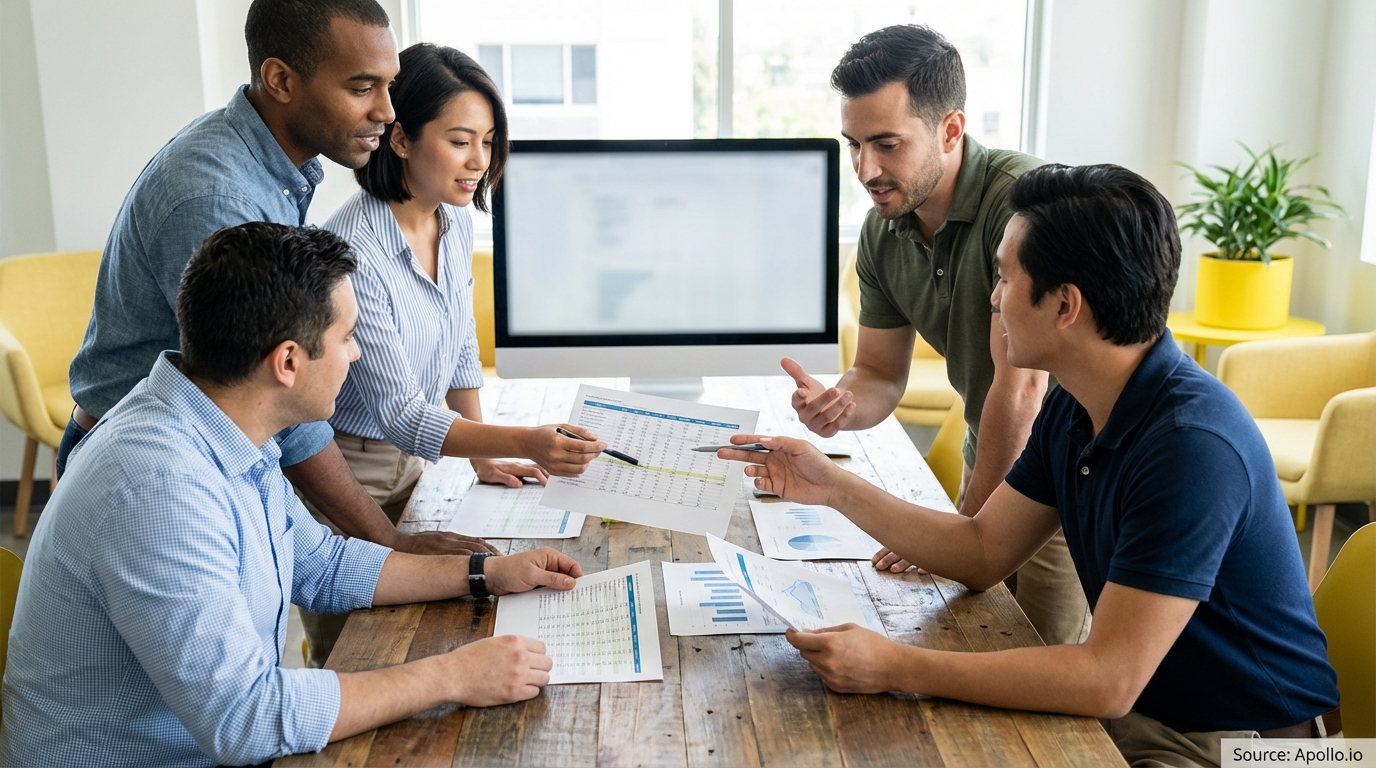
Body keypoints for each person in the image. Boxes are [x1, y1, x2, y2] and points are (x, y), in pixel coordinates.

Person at [722, 164, 1341, 767]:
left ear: (1065, 305)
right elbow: (983, 551)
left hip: (1256, 744)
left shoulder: (1191, 446)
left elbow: (1106, 679)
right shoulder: (1078, 401)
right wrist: (830, 485)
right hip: (1151, 708)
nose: (993, 300)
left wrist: (896, 665)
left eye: (1005, 280)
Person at [1, 223, 581, 767]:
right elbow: (244, 718)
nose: (356, 353)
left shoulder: (225, 429)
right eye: (347, 338)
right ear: (287, 362)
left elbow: (321, 565)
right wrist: (453, 676)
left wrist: (484, 572)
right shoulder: (160, 489)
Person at [59, 0, 497, 560]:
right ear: (281, 79)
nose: (388, 113)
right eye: (363, 87)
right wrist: (385, 540)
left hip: (210, 452)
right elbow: (279, 394)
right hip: (146, 472)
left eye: (389, 86)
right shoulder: (219, 197)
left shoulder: (270, 166)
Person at [778, 25, 1089, 646]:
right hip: (993, 449)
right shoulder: (881, 231)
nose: (866, 170)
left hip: (1068, 471)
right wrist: (841, 405)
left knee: (1045, 678)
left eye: (887, 144)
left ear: (951, 130)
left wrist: (961, 532)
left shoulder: (1023, 206)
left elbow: (1022, 394)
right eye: (854, 145)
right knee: (970, 647)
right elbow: (879, 372)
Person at [308, 43, 604, 666]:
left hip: (409, 471)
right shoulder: (352, 249)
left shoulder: (452, 217)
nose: (480, 162)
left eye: (490, 141)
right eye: (461, 140)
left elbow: (460, 341)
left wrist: (489, 454)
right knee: (355, 659)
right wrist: (526, 439)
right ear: (401, 140)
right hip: (345, 474)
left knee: (418, 639)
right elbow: (401, 415)